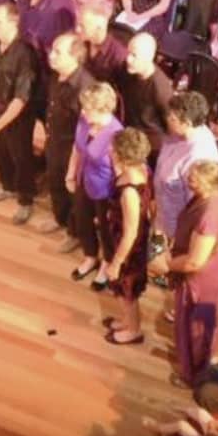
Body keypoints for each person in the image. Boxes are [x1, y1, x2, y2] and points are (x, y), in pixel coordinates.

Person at [163, 160, 218, 388]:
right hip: (216, 268)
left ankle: (194, 375)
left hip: (200, 279)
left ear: (207, 184)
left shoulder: (208, 216)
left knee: (196, 325)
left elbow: (194, 262)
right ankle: (207, 357)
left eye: (193, 179)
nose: (188, 181)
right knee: (207, 319)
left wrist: (165, 265)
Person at [0, 2, 42, 225]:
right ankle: (8, 186)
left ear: (14, 22)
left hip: (17, 117)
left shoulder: (25, 54)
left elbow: (21, 98)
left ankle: (26, 200)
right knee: (2, 152)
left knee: (20, 156)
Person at [39, 32, 95, 244]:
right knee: (55, 183)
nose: (51, 55)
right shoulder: (56, 77)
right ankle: (59, 218)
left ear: (74, 57)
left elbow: (88, 128)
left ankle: (74, 232)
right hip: (55, 142)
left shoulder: (85, 88)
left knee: (74, 192)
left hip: (73, 149)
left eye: (57, 52)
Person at [67, 82, 123, 286]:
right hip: (83, 180)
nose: (83, 112)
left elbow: (120, 171)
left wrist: (117, 202)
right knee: (82, 220)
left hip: (105, 190)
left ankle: (106, 263)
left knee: (107, 230)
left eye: (88, 108)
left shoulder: (116, 134)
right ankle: (90, 256)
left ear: (103, 110)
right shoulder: (84, 120)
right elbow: (77, 147)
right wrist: (70, 173)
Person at [102, 128, 153, 345]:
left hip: (129, 249)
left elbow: (131, 232)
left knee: (127, 291)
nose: (109, 150)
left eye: (113, 148)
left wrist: (116, 263)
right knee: (123, 292)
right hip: (121, 237)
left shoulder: (130, 192)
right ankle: (126, 321)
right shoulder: (141, 169)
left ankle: (133, 330)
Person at [152, 92, 218, 248]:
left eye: (173, 118)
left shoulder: (198, 157)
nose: (168, 119)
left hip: (176, 226)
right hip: (162, 213)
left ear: (187, 123)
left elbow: (194, 204)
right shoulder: (177, 133)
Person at [120, 32, 173, 153]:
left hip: (150, 147)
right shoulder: (127, 71)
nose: (128, 59)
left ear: (149, 57)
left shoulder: (160, 88)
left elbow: (170, 125)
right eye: (128, 53)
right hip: (129, 135)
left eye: (134, 55)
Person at [79, 0, 128, 82]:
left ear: (99, 28)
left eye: (83, 26)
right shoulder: (82, 43)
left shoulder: (118, 57)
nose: (78, 29)